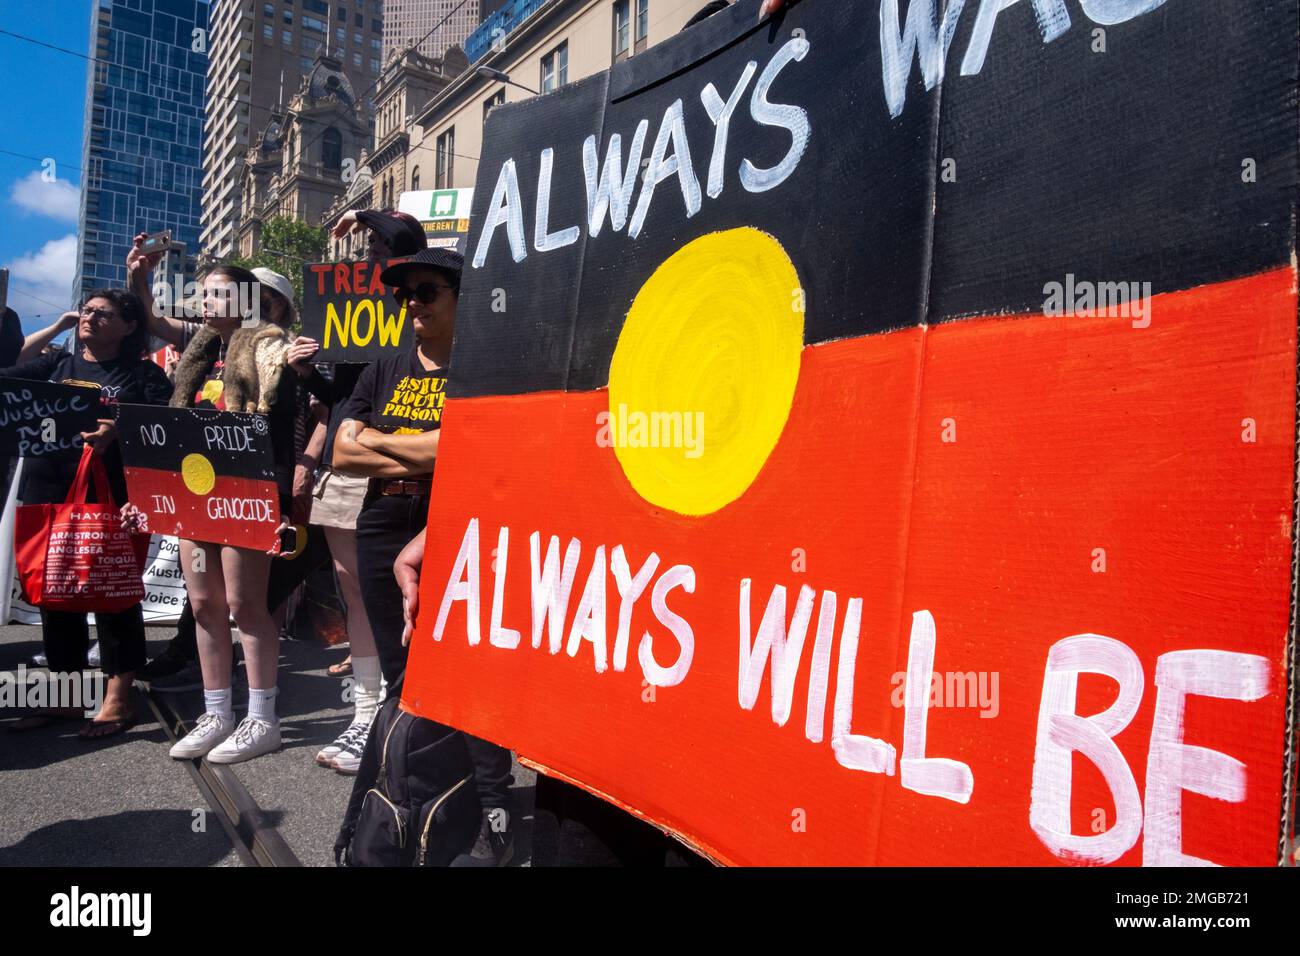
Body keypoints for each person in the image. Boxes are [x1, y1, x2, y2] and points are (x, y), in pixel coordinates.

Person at [331, 247, 515, 864]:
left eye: (427, 290)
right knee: (402, 670)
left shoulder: (482, 367)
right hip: (383, 521)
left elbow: (470, 447)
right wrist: (424, 446)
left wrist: (381, 440)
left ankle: (492, 802)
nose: (412, 302)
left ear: (462, 297)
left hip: (450, 518)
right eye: (404, 293)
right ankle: (419, 797)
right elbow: (341, 454)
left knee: (466, 666)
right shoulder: (382, 367)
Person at [285, 207, 429, 773]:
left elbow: (401, 238)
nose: (367, 258)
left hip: (409, 468)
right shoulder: (345, 312)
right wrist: (306, 373)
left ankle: (413, 713)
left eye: (376, 251)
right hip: (352, 462)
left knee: (414, 592)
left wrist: (358, 214)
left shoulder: (413, 295)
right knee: (358, 593)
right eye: (365, 252)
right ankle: (369, 712)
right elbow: (339, 394)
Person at [140, 264, 297, 763]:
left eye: (218, 292)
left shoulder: (273, 347)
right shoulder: (201, 352)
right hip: (195, 495)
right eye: (202, 292)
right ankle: (217, 712)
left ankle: (262, 718)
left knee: (245, 605)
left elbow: (280, 429)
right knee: (205, 603)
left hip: (245, 493)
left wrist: (282, 503)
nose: (205, 299)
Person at [2, 289, 173, 738]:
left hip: (110, 495)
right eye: (89, 311)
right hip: (49, 490)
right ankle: (66, 697)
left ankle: (119, 697)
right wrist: (58, 326)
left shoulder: (144, 375)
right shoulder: (56, 364)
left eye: (105, 314)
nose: (92, 318)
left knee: (113, 594)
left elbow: (167, 425)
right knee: (55, 593)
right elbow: (8, 372)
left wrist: (119, 428)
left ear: (129, 326)